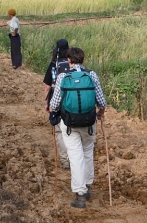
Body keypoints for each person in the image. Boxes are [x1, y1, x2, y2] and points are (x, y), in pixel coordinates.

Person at [49, 47, 107, 209]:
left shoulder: (62, 77)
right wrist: (100, 113)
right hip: (89, 123)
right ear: (83, 60)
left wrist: (53, 112)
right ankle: (87, 185)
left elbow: (54, 104)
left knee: (75, 157)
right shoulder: (92, 75)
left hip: (69, 124)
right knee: (88, 152)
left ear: (68, 61)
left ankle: (80, 194)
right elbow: (101, 102)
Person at [43, 39, 70, 169]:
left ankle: (65, 160)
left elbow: (48, 86)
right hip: (73, 101)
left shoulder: (54, 64)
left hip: (57, 101)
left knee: (59, 131)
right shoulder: (73, 63)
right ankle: (74, 157)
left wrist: (47, 103)